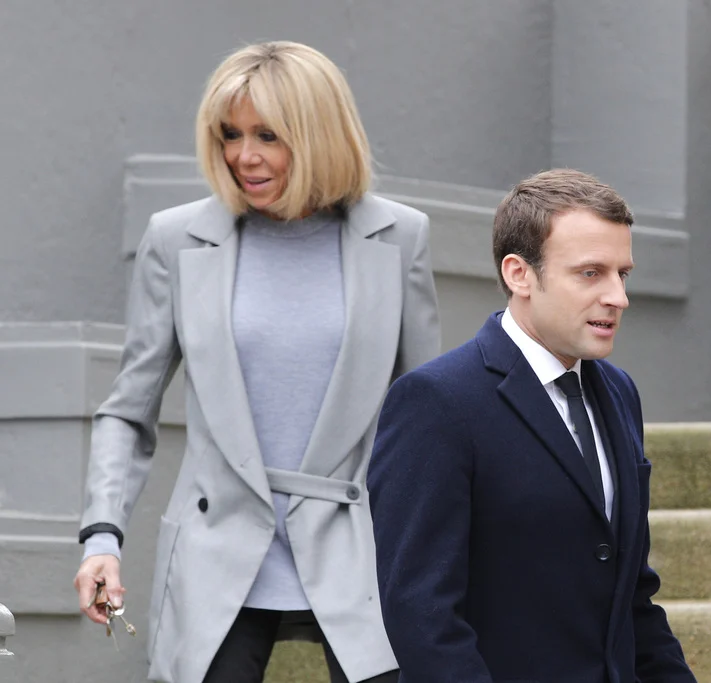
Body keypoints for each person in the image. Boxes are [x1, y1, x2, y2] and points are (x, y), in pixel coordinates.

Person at [72, 41, 440, 683]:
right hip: (220, 542)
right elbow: (128, 412)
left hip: (358, 542)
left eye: (268, 134)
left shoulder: (399, 237)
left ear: (320, 133)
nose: (244, 156)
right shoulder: (177, 238)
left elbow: (427, 419)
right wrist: (101, 537)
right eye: (230, 134)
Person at [367, 169, 698, 682]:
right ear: (519, 274)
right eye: (591, 273)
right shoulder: (436, 402)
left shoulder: (619, 392)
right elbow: (422, 617)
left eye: (622, 273)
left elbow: (632, 597)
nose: (618, 297)